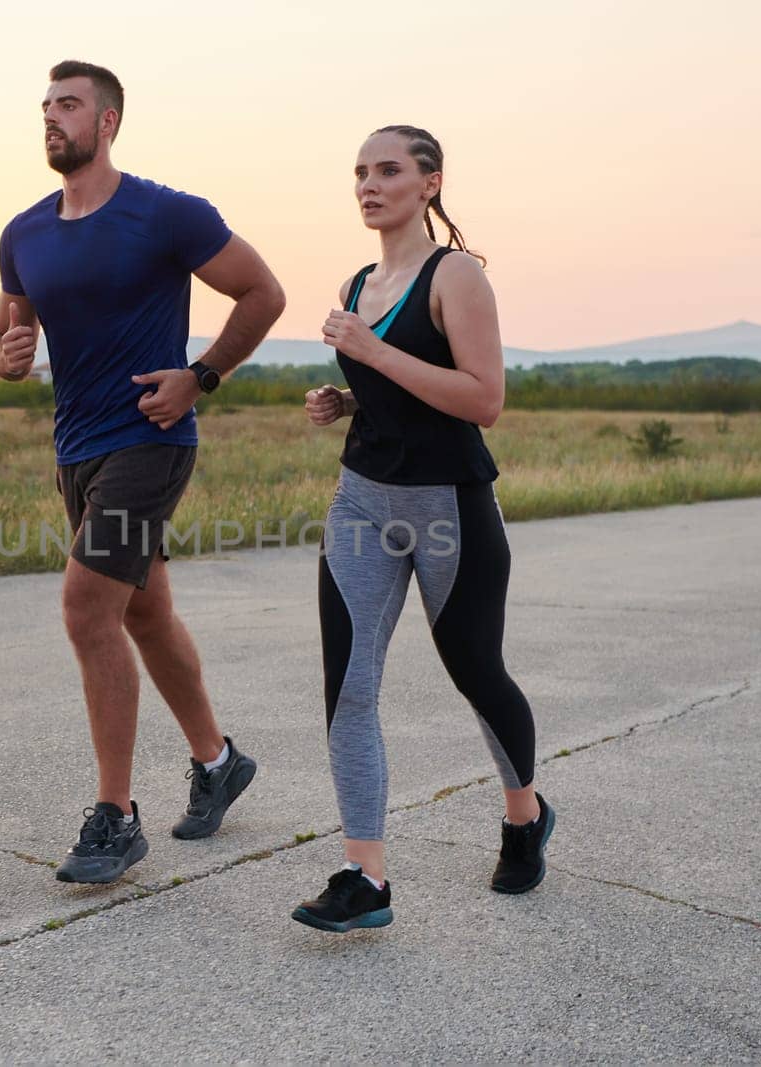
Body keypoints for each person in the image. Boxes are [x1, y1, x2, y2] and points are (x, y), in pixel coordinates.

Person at [0, 60, 286, 884]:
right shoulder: (23, 233)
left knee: (89, 609)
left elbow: (263, 292)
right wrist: (8, 355)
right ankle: (218, 760)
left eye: (69, 105)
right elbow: (6, 336)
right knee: (144, 615)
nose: (53, 118)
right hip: (75, 449)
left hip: (150, 440)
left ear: (108, 121)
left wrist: (202, 375)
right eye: (46, 106)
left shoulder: (167, 213)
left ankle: (115, 816)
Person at [292, 125, 553, 932]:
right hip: (362, 500)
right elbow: (393, 388)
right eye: (361, 173)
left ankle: (524, 814)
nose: (370, 185)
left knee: (476, 671)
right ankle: (364, 876)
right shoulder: (358, 279)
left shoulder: (457, 275)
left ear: (431, 183)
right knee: (349, 684)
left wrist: (371, 353)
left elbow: (483, 399)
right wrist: (347, 397)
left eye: (390, 170)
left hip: (447, 507)